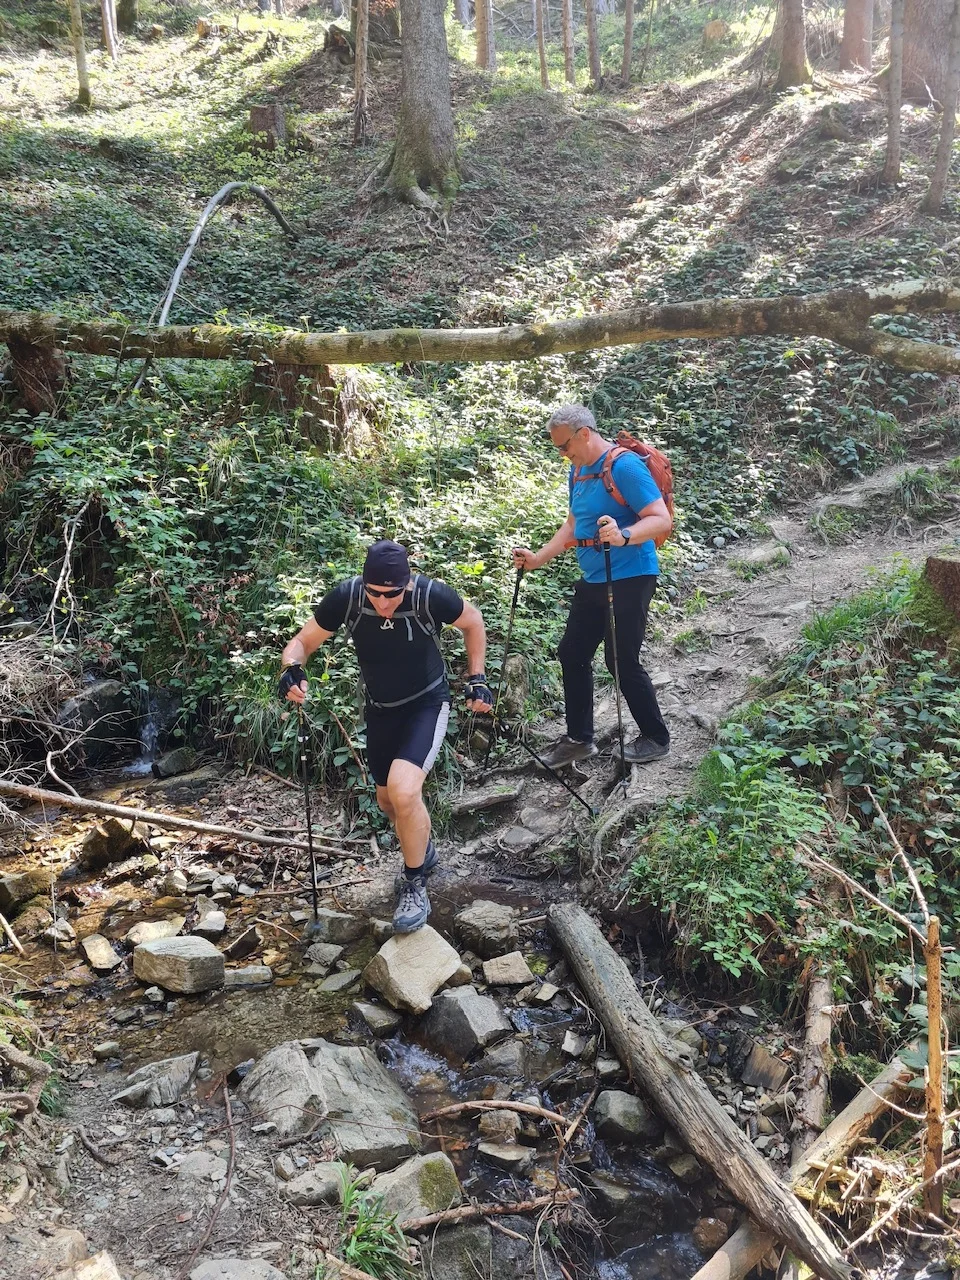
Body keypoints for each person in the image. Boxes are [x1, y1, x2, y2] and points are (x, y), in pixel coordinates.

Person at [278, 540, 493, 933]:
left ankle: (414, 884)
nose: (383, 604)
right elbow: (303, 642)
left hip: (428, 703)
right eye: (375, 594)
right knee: (388, 802)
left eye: (392, 595)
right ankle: (422, 849)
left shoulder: (430, 595)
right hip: (380, 710)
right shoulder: (347, 597)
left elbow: (473, 622)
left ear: (407, 584)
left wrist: (476, 677)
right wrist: (292, 668)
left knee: (405, 791)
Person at [512, 404, 672, 769]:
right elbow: (572, 525)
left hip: (631, 575)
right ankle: (579, 739)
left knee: (621, 660)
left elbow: (660, 520)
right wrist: (538, 558)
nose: (562, 453)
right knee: (572, 652)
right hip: (594, 578)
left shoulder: (624, 467)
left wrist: (624, 534)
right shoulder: (579, 471)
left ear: (584, 433)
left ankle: (655, 737)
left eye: (563, 446)